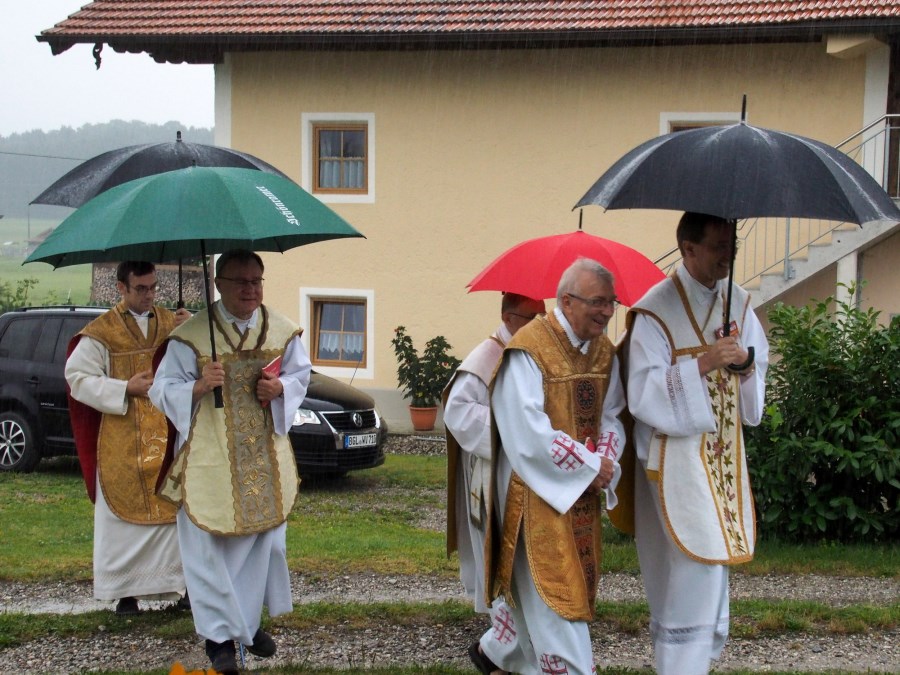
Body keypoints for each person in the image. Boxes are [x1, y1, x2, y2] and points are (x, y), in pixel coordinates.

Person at [149, 249, 311, 675]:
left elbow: (301, 376)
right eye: (241, 282)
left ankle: (248, 625)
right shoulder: (192, 336)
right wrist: (199, 386)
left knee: (264, 544)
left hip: (263, 458)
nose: (251, 289)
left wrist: (280, 389)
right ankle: (219, 640)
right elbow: (160, 389)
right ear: (219, 284)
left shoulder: (282, 330)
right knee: (210, 549)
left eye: (257, 281)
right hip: (210, 458)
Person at [623, 212, 769, 674]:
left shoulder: (739, 302)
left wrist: (743, 363)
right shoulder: (654, 311)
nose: (728, 255)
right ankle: (680, 665)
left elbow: (756, 373)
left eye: (732, 245)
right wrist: (703, 364)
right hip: (676, 461)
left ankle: (697, 661)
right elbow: (642, 391)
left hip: (723, 458)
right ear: (688, 248)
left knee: (713, 566)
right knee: (693, 566)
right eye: (718, 246)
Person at [482, 258, 626, 675]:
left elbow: (613, 414)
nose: (606, 312)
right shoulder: (529, 349)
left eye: (611, 302)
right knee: (559, 609)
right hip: (537, 501)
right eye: (597, 302)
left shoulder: (604, 352)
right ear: (567, 301)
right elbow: (527, 432)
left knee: (556, 607)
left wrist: (605, 462)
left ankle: (498, 654)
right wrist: (589, 466)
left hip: (583, 499)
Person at [65, 260, 191, 615]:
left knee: (174, 515)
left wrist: (189, 332)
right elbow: (77, 378)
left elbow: (197, 365)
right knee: (121, 522)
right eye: (141, 289)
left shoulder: (172, 322)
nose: (149, 295)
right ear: (121, 287)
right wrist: (124, 388)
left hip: (167, 434)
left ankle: (182, 588)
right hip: (121, 437)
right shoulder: (101, 332)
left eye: (153, 287)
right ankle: (126, 594)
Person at [442, 292, 546, 673]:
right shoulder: (486, 357)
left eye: (544, 316)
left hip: (527, 477)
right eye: (533, 317)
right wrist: (510, 430)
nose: (541, 324)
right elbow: (457, 412)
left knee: (527, 572)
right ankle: (497, 654)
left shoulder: (530, 350)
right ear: (509, 317)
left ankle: (503, 656)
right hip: (494, 484)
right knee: (506, 571)